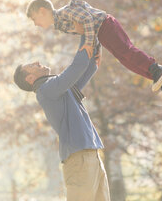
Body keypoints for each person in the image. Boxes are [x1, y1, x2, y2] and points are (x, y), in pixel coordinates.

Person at [13, 36, 110, 201]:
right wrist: (86, 34)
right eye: (31, 66)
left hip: (91, 155)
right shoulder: (46, 90)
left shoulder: (59, 88)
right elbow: (77, 66)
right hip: (79, 159)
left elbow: (87, 68)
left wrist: (94, 41)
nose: (37, 61)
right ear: (30, 79)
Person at [26, 0, 162, 98]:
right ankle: (157, 77)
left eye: (34, 19)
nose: (35, 24)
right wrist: (96, 48)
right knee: (123, 58)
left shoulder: (65, 12)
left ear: (42, 11)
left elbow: (88, 19)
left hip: (106, 25)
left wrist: (89, 43)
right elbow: (88, 29)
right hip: (102, 33)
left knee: (126, 51)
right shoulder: (61, 25)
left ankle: (157, 69)